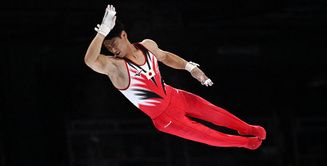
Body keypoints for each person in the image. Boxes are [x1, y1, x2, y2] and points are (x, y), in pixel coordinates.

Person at [85, 5, 266, 150]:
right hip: (165, 118)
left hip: (175, 96)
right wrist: (102, 32)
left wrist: (190, 67)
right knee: (208, 135)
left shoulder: (147, 46)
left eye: (114, 44)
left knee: (214, 112)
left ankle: (249, 129)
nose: (113, 50)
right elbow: (90, 60)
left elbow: (165, 57)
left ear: (124, 35)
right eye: (108, 48)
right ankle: (245, 142)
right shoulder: (116, 67)